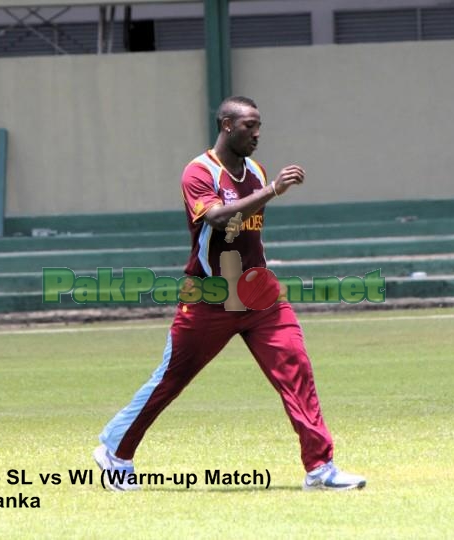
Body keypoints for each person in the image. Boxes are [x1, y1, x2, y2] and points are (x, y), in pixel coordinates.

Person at [93, 96, 366, 491]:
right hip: (210, 295)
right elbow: (219, 219)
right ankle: (114, 452)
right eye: (248, 126)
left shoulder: (254, 169)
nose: (257, 134)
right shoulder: (199, 171)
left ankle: (320, 468)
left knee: (296, 370)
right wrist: (273, 189)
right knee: (171, 378)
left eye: (259, 126)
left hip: (260, 294)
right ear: (226, 126)